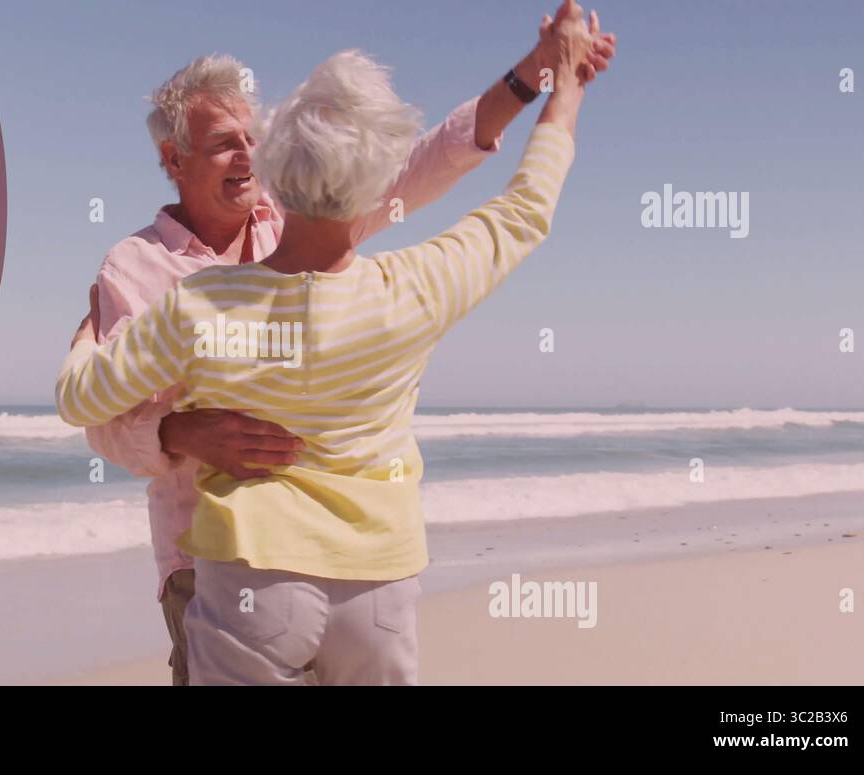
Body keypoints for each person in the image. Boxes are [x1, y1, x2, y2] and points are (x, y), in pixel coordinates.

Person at [58, 0, 602, 685]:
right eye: (224, 142)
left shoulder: (245, 258)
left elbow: (430, 158)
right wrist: (177, 433)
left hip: (268, 575)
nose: (246, 156)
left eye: (253, 138)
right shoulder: (138, 270)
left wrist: (534, 74)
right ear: (173, 157)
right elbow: (104, 425)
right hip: (215, 563)